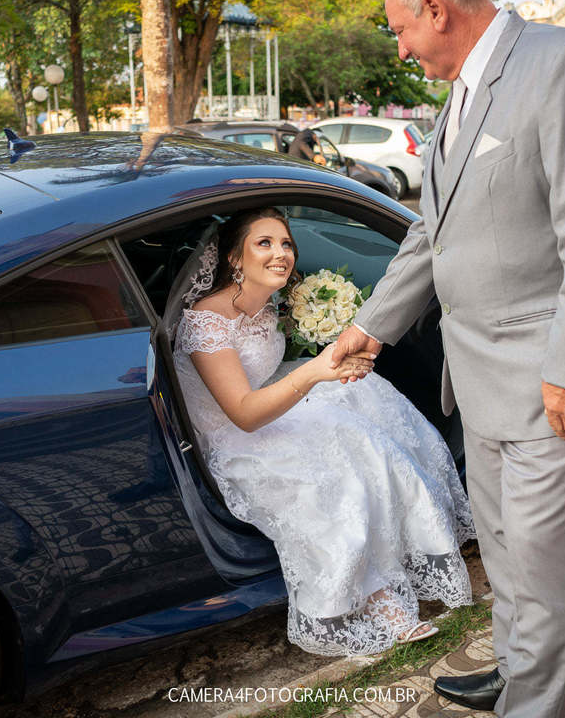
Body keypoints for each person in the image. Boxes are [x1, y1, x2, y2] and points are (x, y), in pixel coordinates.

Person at [330, 0, 565, 717]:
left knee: (541, 561)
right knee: (504, 550)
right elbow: (431, 233)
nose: (399, 46)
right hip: (478, 376)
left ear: (437, 7)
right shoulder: (463, 93)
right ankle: (517, 668)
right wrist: (372, 327)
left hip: (548, 379)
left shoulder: (564, 64)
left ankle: (537, 703)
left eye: (401, 28)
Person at [173, 207, 475, 656]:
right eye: (265, 243)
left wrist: (333, 360)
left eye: (287, 244)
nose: (281, 254)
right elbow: (244, 414)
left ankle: (415, 545)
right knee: (337, 475)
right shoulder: (206, 320)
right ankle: (378, 598)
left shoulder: (269, 303)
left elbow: (268, 368)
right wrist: (316, 371)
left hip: (268, 407)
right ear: (234, 258)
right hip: (235, 438)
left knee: (369, 399)